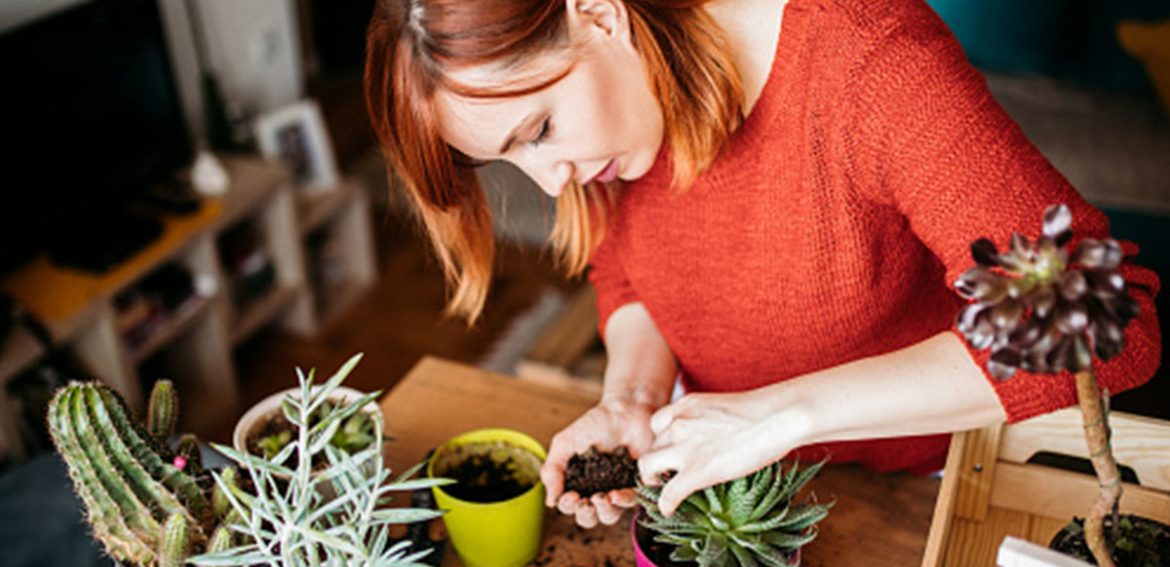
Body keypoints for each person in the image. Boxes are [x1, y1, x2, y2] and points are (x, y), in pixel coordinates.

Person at [364, 0, 1161, 525]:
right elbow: (628, 271)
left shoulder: (865, 62)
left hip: (937, 485)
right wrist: (633, 396)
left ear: (599, 14)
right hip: (740, 481)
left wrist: (777, 416)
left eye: (538, 130)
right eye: (509, 160)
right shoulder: (620, 116)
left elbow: (1102, 321)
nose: (550, 182)